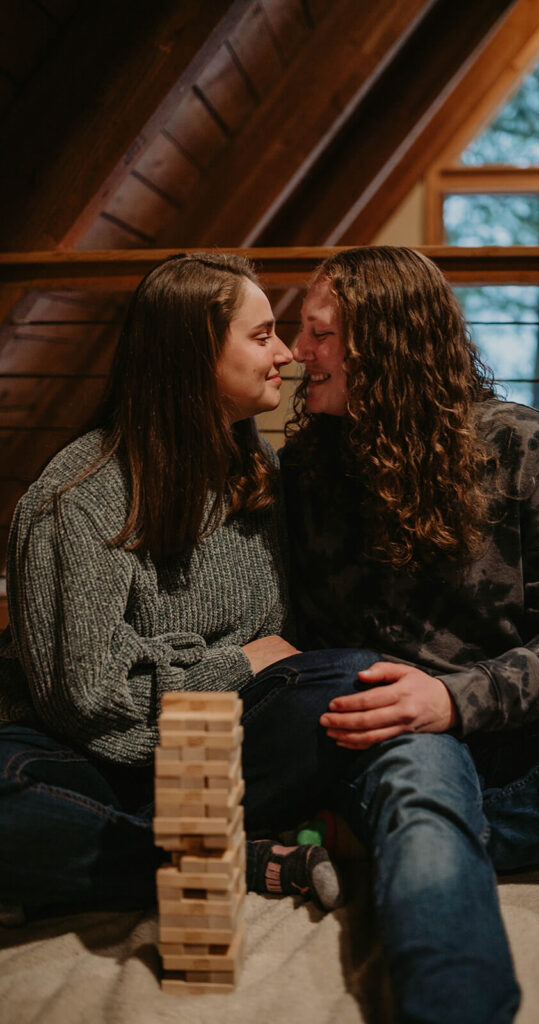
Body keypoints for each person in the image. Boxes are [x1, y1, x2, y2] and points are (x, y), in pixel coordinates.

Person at [280, 245, 539, 1023]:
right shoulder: (305, 469)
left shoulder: (519, 444)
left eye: (319, 334)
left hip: (519, 729)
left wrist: (457, 699)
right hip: (399, 739)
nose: (301, 353)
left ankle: (403, 841)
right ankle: (424, 839)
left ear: (385, 341)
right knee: (422, 790)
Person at [0, 251, 379, 923]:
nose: (288, 353)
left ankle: (124, 849)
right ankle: (231, 858)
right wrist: (231, 665)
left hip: (210, 745)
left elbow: (281, 653)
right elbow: (84, 697)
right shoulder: (78, 497)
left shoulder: (253, 466)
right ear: (193, 353)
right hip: (78, 748)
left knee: (350, 680)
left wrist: (232, 677)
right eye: (261, 335)